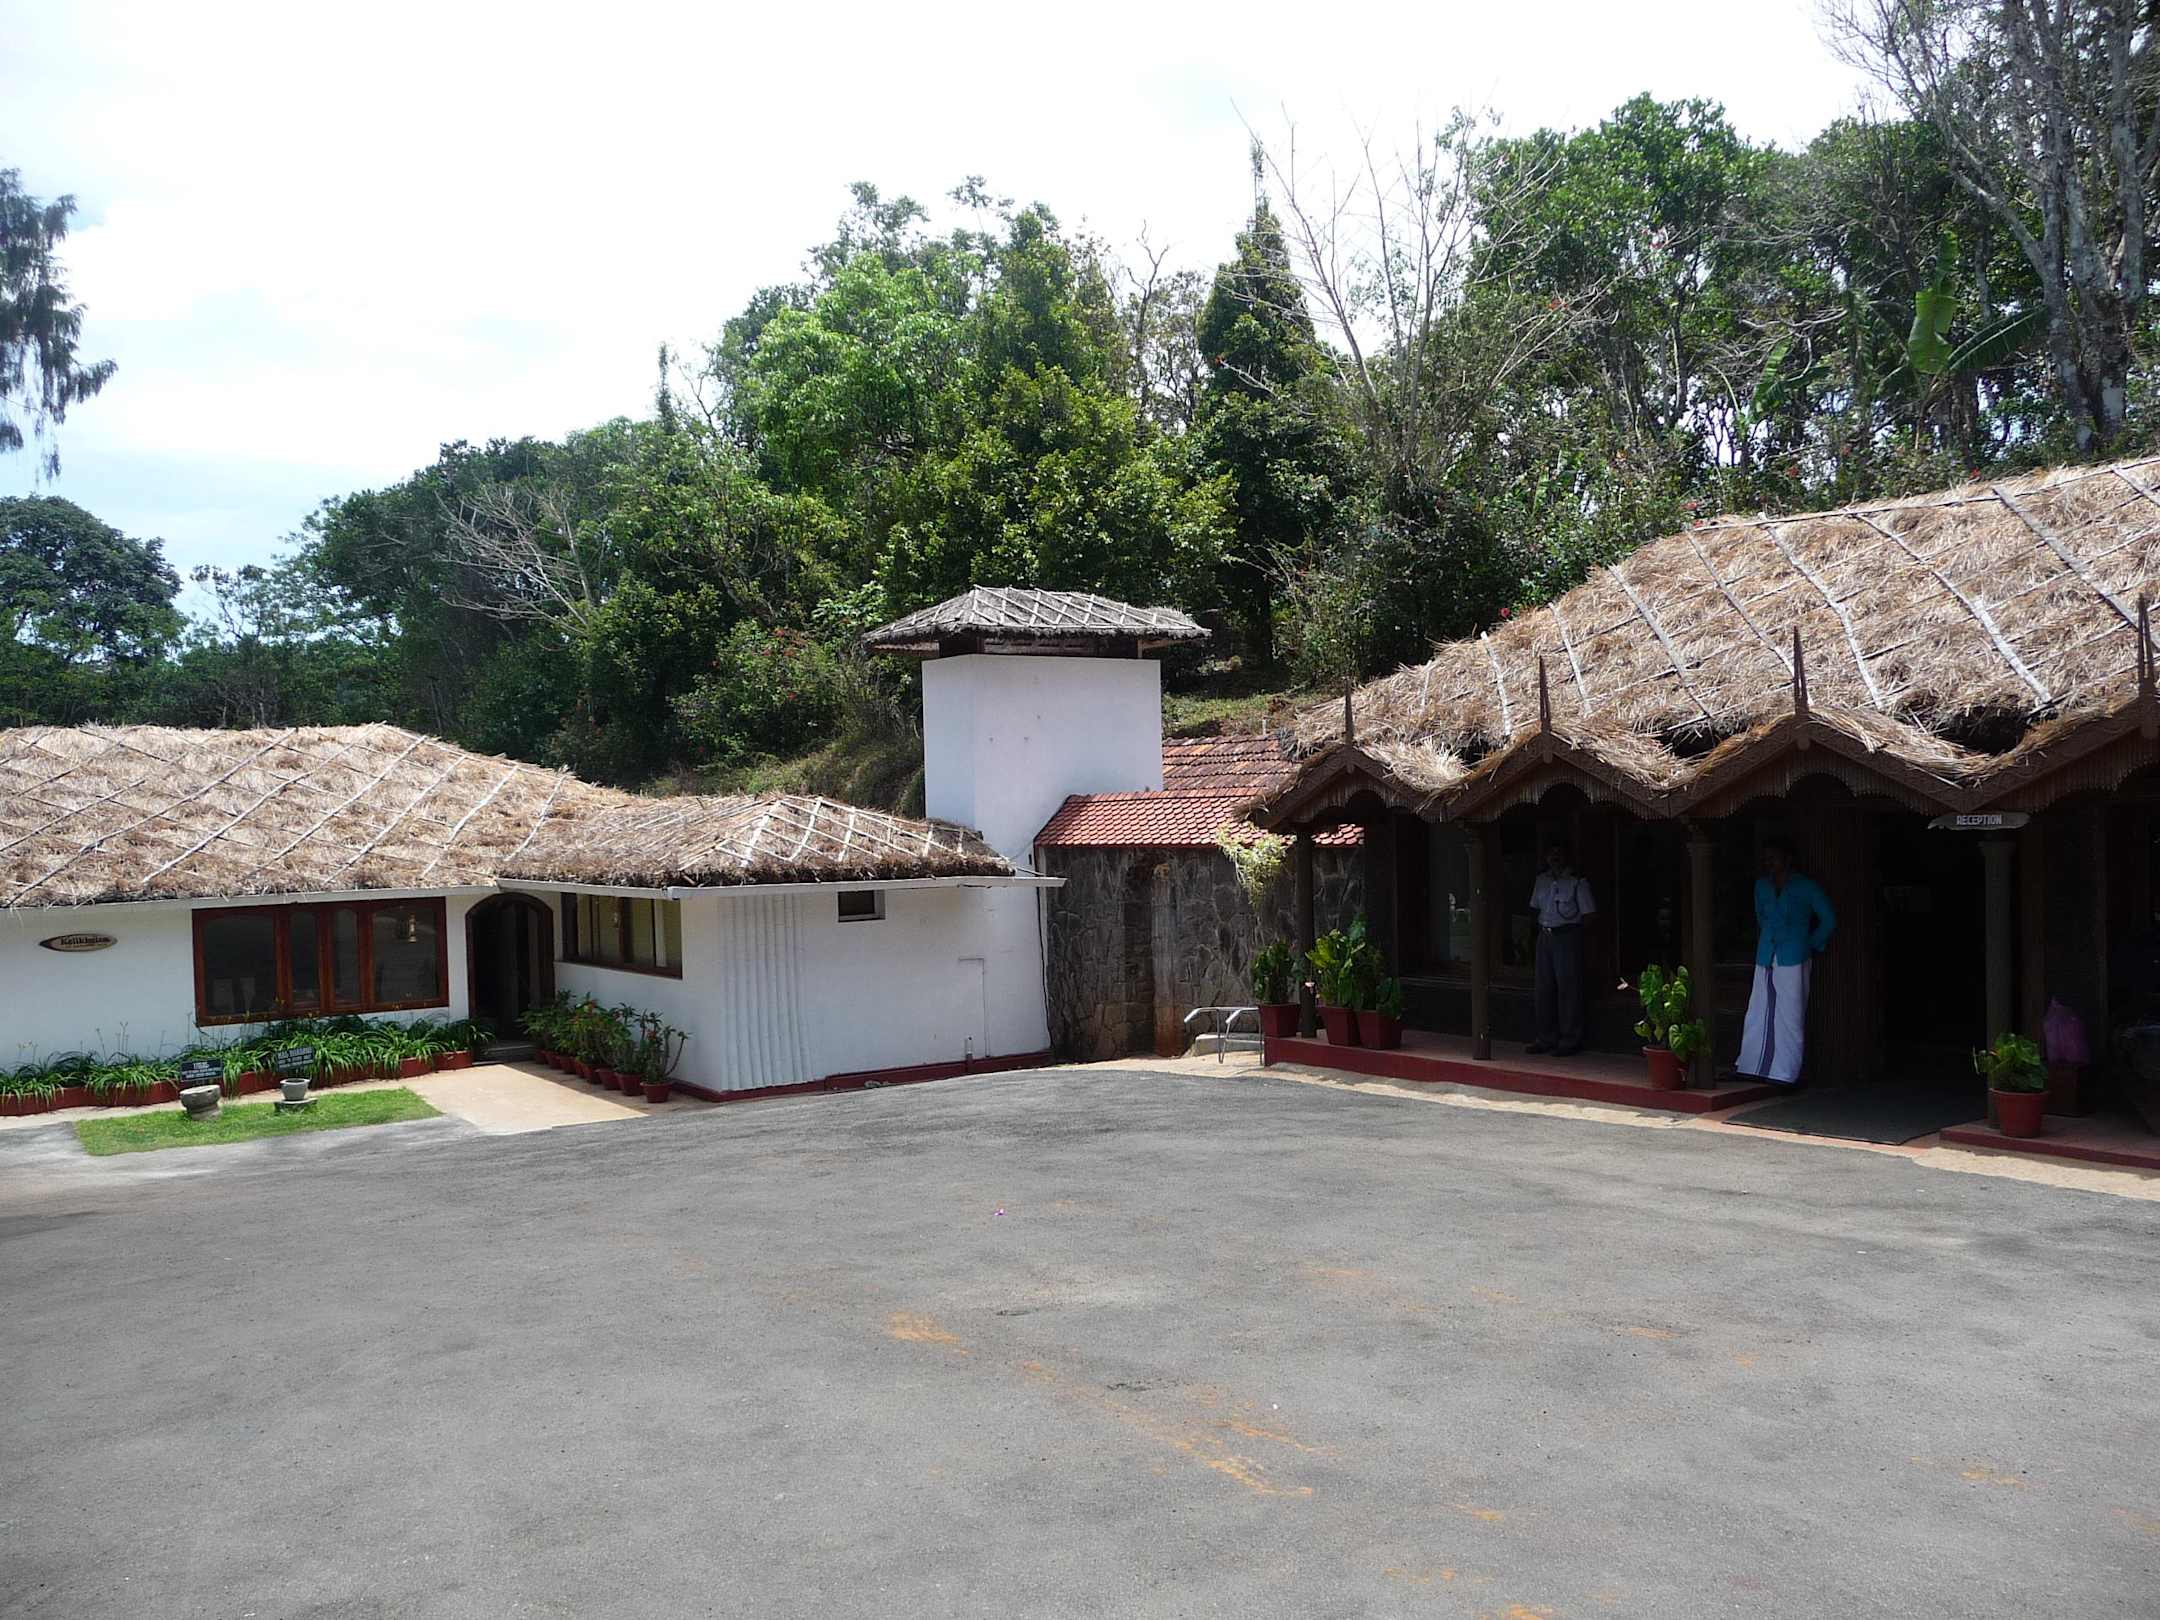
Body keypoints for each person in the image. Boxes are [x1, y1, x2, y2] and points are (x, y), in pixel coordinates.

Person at [1736, 837, 1836, 1086]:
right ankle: (1751, 1066)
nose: (1769, 862)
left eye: (1774, 857)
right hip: (1766, 954)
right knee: (1758, 1011)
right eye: (1766, 858)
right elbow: (1761, 917)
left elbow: (1829, 919)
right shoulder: (1761, 886)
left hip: (1793, 955)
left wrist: (1809, 943)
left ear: (1787, 858)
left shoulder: (1806, 887)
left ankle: (1785, 1073)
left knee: (1790, 1014)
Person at [1528, 842, 1595, 1056]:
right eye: (1551, 853)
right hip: (1545, 936)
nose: (1554, 857)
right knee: (1543, 988)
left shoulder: (1577, 882)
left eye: (1559, 853)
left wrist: (1573, 936)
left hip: (1566, 936)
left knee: (1568, 989)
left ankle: (1569, 1039)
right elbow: (1534, 908)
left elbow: (1589, 914)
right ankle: (1545, 1037)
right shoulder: (1542, 880)